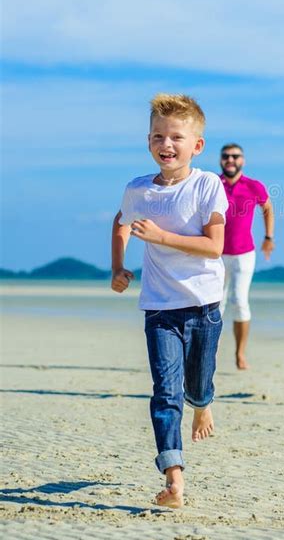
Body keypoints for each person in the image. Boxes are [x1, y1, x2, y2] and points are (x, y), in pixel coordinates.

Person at [111, 93, 228, 509]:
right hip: (159, 307)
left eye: (177, 136)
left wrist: (161, 238)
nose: (167, 144)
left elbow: (215, 246)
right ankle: (174, 478)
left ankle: (203, 403)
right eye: (159, 135)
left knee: (197, 384)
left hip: (204, 307)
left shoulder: (207, 185)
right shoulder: (138, 189)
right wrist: (118, 267)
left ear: (197, 145)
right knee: (165, 391)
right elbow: (121, 222)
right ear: (148, 141)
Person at [219, 144, 275, 369]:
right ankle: (209, 352)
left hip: (245, 253)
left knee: (239, 301)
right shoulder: (213, 184)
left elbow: (268, 208)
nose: (231, 160)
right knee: (216, 304)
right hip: (215, 253)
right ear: (221, 160)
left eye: (235, 156)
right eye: (226, 156)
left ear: (243, 159)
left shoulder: (254, 186)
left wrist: (268, 237)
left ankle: (240, 353)